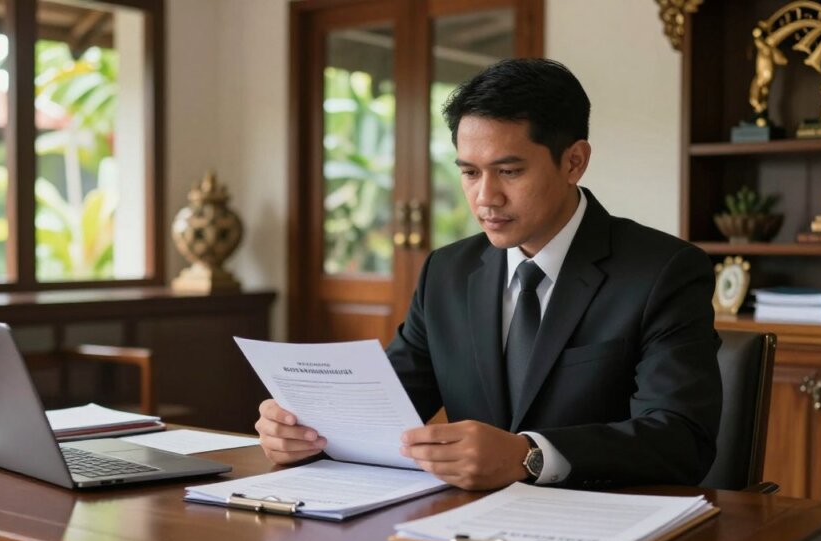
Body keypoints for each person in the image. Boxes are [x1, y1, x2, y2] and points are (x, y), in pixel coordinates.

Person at [256, 58, 721, 491]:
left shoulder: (664, 271)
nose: (485, 197)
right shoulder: (447, 271)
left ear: (574, 161)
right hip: (459, 525)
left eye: (509, 171)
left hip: (601, 528)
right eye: (470, 173)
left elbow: (680, 439)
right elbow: (388, 406)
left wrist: (529, 456)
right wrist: (306, 432)